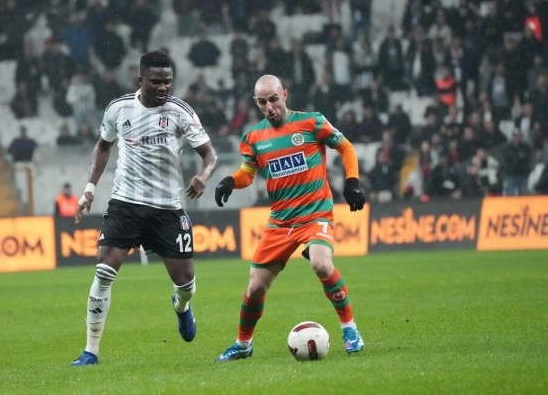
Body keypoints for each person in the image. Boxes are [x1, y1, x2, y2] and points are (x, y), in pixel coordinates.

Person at [70, 50, 219, 366]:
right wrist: (89, 189)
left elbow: (210, 155)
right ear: (140, 80)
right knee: (103, 271)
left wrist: (204, 176)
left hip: (167, 208)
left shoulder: (180, 112)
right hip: (125, 203)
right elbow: (103, 146)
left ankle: (181, 306)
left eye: (168, 81)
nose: (163, 87)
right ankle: (90, 351)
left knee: (186, 284)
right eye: (156, 82)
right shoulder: (119, 109)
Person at [213, 75, 366, 362]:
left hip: (315, 213)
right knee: (255, 288)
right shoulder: (253, 138)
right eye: (262, 102)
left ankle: (350, 329)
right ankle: (243, 344)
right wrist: (231, 181)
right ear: (256, 103)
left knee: (321, 263)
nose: (269, 107)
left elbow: (346, 147)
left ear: (285, 94)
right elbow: (248, 173)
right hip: (280, 221)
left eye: (273, 99)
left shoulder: (312, 122)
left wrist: (352, 182)